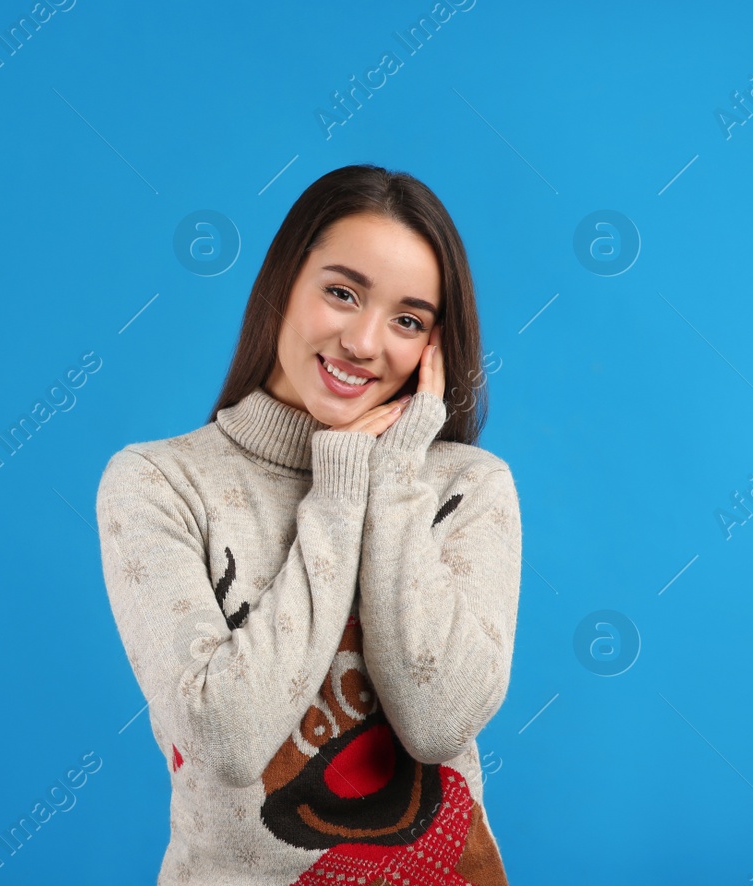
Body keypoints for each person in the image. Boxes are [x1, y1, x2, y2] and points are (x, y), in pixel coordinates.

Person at [96, 164, 521, 884]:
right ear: (283, 283)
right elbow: (225, 739)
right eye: (342, 292)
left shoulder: (467, 488)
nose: (363, 340)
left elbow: (436, 719)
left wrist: (388, 477)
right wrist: (337, 489)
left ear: (434, 350)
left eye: (408, 320)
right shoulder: (159, 483)